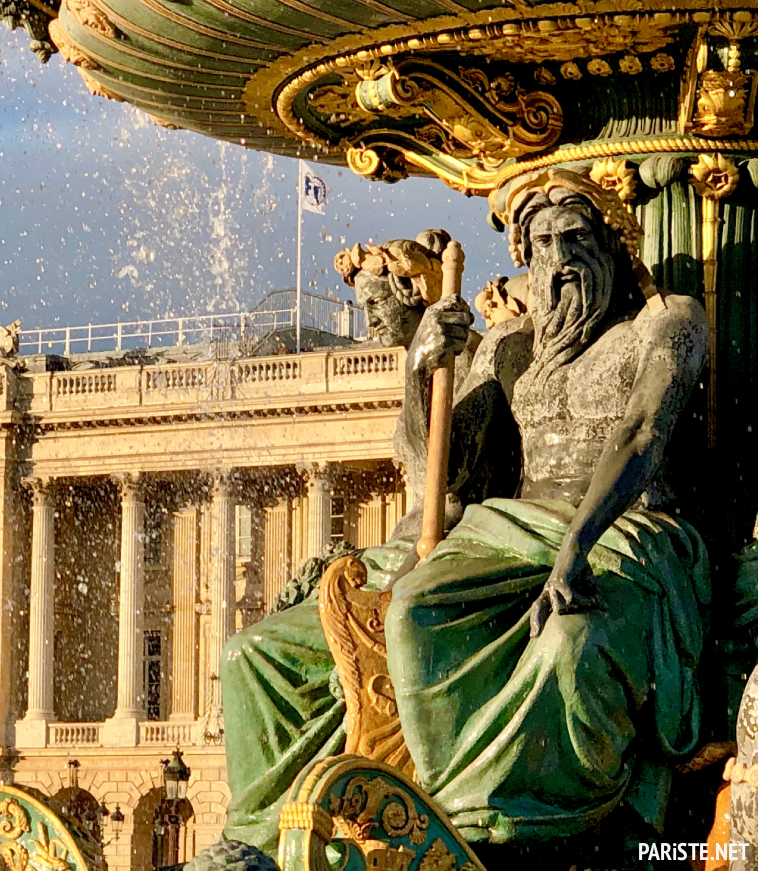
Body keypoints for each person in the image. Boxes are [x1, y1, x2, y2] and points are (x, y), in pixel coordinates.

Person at [386, 168, 710, 847]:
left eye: (574, 239)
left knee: (571, 641)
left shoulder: (668, 321)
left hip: (629, 528)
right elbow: (444, 469)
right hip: (515, 529)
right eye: (540, 246)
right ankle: (456, 813)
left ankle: (565, 824)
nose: (557, 262)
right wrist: (422, 368)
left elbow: (642, 432)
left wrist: (577, 549)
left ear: (616, 244)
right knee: (412, 613)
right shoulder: (510, 347)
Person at [220, 229, 499, 852]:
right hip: (391, 556)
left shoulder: (476, 365)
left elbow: (445, 475)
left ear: (416, 292)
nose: (369, 318)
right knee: (245, 654)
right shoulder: (425, 360)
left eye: (379, 301)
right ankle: (260, 828)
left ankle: (272, 830)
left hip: (446, 552)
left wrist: (425, 366)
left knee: (258, 655)